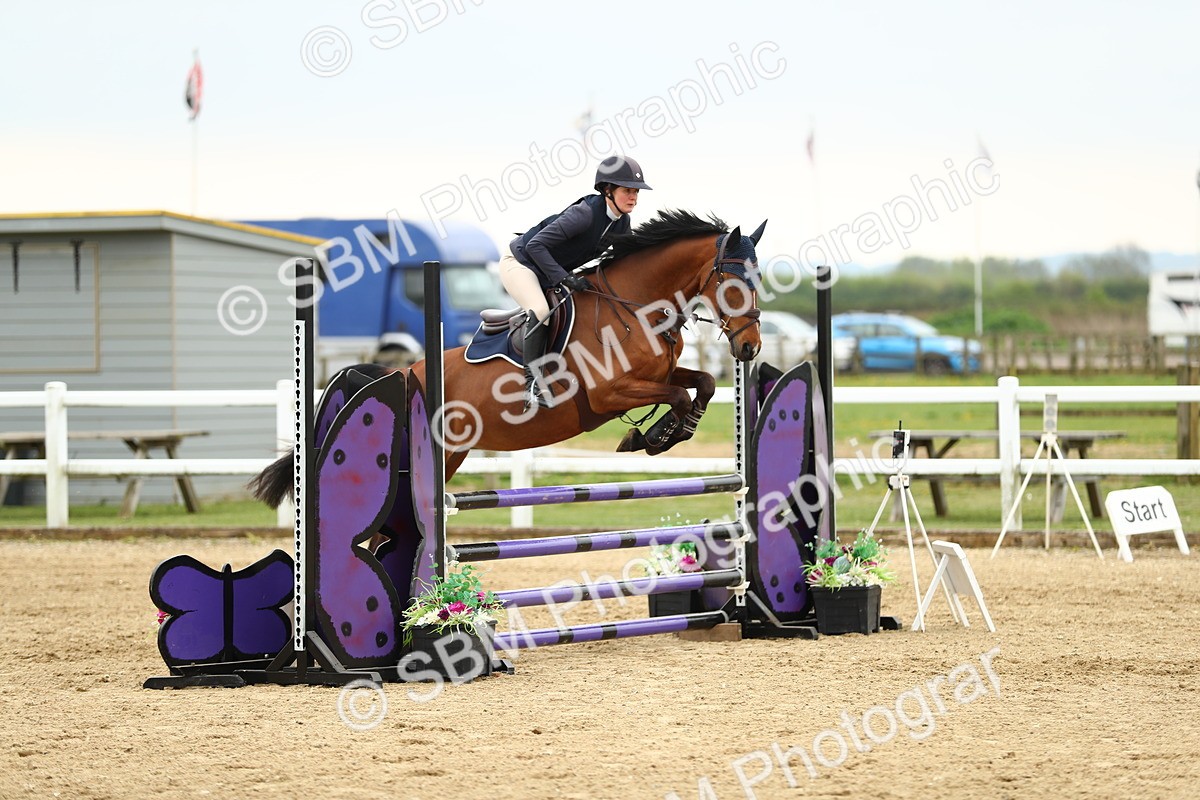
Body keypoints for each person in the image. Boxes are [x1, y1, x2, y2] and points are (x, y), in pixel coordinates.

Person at [502, 155, 652, 409]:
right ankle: (531, 386)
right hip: (520, 264)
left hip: (548, 270)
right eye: (627, 190)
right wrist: (565, 278)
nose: (634, 197)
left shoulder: (622, 223)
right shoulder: (584, 214)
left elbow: (627, 262)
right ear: (608, 190)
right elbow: (536, 245)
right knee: (540, 310)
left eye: (636, 191)